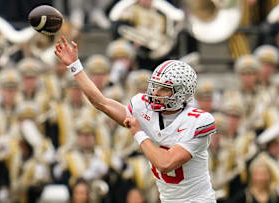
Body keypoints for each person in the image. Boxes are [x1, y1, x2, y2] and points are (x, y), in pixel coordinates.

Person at [54, 36, 217, 202]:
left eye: (164, 89)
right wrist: (74, 66)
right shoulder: (143, 107)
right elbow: (101, 102)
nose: (155, 93)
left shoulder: (198, 121)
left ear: (181, 93)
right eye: (155, 86)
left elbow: (165, 163)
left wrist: (139, 133)